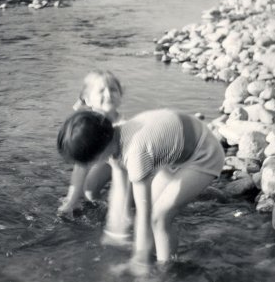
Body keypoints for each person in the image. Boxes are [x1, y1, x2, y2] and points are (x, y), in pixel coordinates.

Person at [56, 108, 224, 273]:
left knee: (158, 218)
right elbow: (119, 191)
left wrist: (139, 260)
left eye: (88, 162)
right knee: (149, 217)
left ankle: (165, 271)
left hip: (203, 155)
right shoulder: (113, 137)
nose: (88, 166)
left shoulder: (135, 154)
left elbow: (144, 213)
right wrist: (115, 230)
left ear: (99, 153)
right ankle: (158, 256)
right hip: (177, 152)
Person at [57, 70, 123, 217]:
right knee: (89, 191)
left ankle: (117, 207)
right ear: (87, 100)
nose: (108, 94)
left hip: (123, 162)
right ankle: (96, 207)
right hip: (105, 159)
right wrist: (72, 199)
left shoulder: (123, 126)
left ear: (121, 95)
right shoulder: (87, 126)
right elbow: (81, 166)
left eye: (113, 89)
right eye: (101, 91)